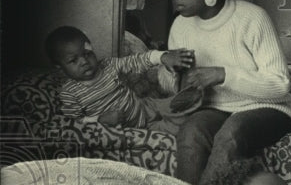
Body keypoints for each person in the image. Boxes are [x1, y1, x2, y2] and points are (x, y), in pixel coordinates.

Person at [159, 0, 291, 185]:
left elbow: (280, 86)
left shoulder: (252, 18)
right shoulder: (180, 25)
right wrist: (172, 73)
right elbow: (176, 94)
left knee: (231, 133)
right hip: (215, 109)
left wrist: (223, 75)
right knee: (191, 132)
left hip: (270, 108)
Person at [45, 25, 194, 131]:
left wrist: (163, 56)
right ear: (60, 68)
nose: (84, 61)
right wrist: (99, 119)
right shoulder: (70, 94)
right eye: (73, 60)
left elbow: (136, 61)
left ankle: (192, 97)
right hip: (137, 128)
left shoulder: (108, 65)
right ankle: (185, 115)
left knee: (177, 104)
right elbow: (73, 125)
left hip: (146, 106)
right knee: (181, 125)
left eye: (87, 53)